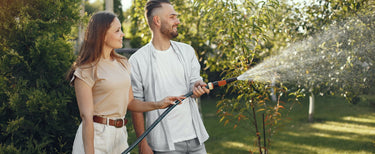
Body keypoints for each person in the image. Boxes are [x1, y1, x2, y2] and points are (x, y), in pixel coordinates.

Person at [66, 11, 184, 154]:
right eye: (117, 31)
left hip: (120, 136)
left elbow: (130, 102)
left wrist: (159, 104)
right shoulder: (85, 70)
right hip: (95, 138)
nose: (122, 34)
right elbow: (86, 118)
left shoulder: (123, 63)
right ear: (102, 35)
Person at [129, 0, 210, 153]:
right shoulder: (138, 60)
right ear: (157, 20)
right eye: (172, 17)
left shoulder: (187, 51)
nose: (177, 21)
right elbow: (136, 105)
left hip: (195, 138)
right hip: (165, 144)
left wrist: (198, 85)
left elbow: (195, 81)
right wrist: (142, 144)